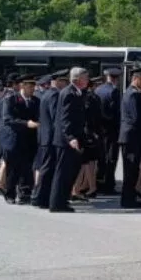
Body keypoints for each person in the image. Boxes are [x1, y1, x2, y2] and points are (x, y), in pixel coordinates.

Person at [49, 67, 88, 213]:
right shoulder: (69, 93)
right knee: (63, 173)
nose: (87, 80)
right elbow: (65, 119)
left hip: (74, 139)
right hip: (66, 141)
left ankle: (63, 200)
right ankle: (56, 203)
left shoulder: (77, 93)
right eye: (85, 78)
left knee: (71, 172)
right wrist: (70, 137)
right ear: (77, 79)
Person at [0, 74, 40, 204]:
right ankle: (10, 193)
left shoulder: (36, 101)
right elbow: (8, 119)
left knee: (27, 168)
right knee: (13, 168)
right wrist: (26, 123)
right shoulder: (11, 99)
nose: (32, 89)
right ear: (22, 86)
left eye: (33, 86)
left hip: (30, 139)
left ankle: (25, 192)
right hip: (14, 138)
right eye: (30, 86)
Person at [32, 70, 68, 209]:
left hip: (45, 137)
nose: (65, 85)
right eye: (64, 82)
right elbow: (55, 118)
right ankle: (40, 197)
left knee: (45, 167)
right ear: (58, 81)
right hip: (50, 137)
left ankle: (40, 196)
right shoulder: (54, 95)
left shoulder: (47, 93)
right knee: (47, 168)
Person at [119, 67, 141, 209]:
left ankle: (129, 198)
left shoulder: (130, 93)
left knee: (132, 170)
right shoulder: (134, 94)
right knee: (131, 170)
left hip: (130, 136)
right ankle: (128, 200)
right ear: (136, 79)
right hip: (132, 136)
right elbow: (137, 117)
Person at [95, 67, 122, 195]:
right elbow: (117, 112)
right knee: (111, 158)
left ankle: (99, 182)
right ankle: (108, 185)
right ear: (116, 78)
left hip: (100, 129)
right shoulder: (114, 91)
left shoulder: (98, 89)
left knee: (101, 157)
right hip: (112, 129)